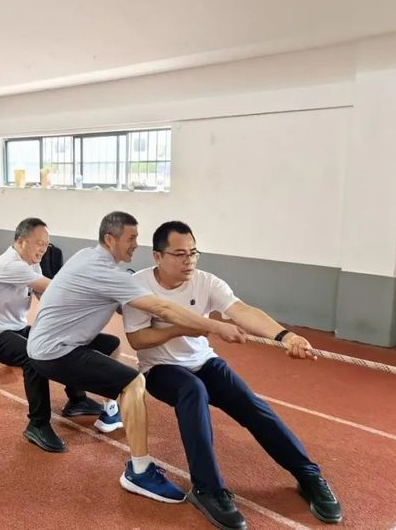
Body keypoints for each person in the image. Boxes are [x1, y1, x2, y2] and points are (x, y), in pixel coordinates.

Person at [122, 221, 342, 528]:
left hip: (204, 362)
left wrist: (286, 336)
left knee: (251, 405)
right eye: (180, 254)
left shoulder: (206, 282)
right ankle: (208, 489)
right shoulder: (138, 286)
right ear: (158, 256)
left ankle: (309, 476)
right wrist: (183, 328)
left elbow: (242, 310)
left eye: (194, 253)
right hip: (160, 369)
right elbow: (137, 340)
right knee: (193, 391)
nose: (189, 261)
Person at [26, 211, 246, 504]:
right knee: (133, 382)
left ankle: (110, 410)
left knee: (111, 344)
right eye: (131, 238)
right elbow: (163, 309)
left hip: (47, 343)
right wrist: (214, 326)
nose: (136, 244)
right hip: (54, 352)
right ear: (110, 239)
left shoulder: (86, 256)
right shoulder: (106, 273)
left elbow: (119, 302)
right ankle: (139, 471)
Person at [0, 217, 102, 449]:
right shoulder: (11, 265)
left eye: (46, 244)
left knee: (60, 343)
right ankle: (38, 424)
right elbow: (56, 289)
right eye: (39, 243)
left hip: (15, 328)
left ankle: (77, 400)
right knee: (33, 357)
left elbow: (49, 299)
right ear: (22, 242)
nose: (44, 249)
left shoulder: (32, 265)